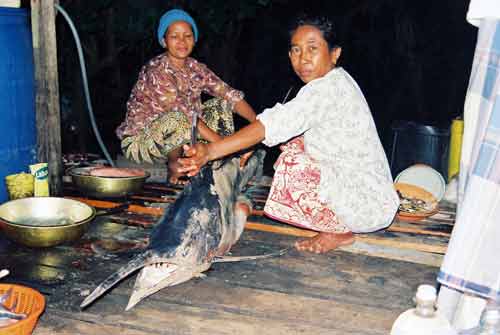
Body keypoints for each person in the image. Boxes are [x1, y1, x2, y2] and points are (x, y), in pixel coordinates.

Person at [178, 15, 399, 254]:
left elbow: (271, 124)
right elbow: (282, 124)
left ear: (334, 53)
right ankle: (338, 221)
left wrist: (209, 151)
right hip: (375, 198)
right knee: (293, 144)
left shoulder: (327, 89)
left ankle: (337, 230)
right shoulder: (337, 81)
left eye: (312, 49)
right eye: (296, 50)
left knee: (291, 164)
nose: (303, 58)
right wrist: (248, 143)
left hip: (367, 207)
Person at [116, 9, 256, 184]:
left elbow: (230, 95)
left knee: (221, 103)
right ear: (164, 41)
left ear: (194, 40)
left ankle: (218, 163)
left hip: (181, 135)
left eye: (187, 36)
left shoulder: (195, 67)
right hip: (141, 143)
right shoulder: (157, 70)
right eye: (175, 36)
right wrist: (229, 147)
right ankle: (175, 166)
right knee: (179, 117)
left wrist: (258, 126)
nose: (182, 41)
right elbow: (187, 117)